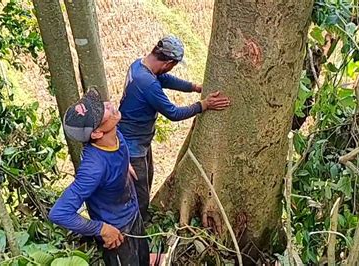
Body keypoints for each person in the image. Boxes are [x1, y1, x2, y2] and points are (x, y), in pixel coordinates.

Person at [118, 35, 231, 221]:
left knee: (147, 178)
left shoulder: (139, 66)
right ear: (169, 62)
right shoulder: (147, 84)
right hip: (132, 146)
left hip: (138, 140)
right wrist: (204, 105)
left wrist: (194, 87)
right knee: (139, 196)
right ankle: (135, 231)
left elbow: (165, 79)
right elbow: (173, 113)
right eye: (174, 65)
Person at [49, 88, 149, 265]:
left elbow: (119, 148)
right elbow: (59, 213)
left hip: (132, 214)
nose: (108, 105)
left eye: (102, 104)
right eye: (103, 111)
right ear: (96, 133)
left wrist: (125, 164)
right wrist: (101, 229)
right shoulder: (93, 169)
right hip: (116, 231)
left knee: (143, 258)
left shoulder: (114, 132)